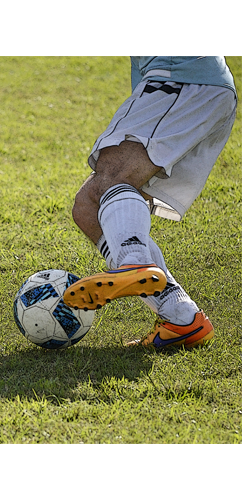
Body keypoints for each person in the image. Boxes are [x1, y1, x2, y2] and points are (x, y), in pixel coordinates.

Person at [63, 56, 237, 348]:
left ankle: (134, 262)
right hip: (186, 83)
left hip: (181, 77)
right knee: (88, 206)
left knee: (114, 177)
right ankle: (182, 318)